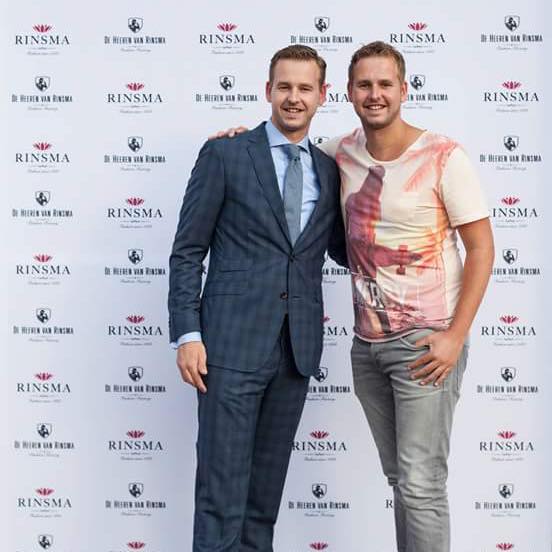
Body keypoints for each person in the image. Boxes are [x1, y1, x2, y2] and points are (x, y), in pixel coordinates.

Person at [214, 40, 494, 552]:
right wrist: (237, 141)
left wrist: (455, 336)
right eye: (364, 84)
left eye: (385, 84)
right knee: (402, 480)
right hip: (367, 347)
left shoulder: (443, 156)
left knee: (421, 483)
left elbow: (481, 248)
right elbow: (280, 153)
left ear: (404, 90)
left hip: (426, 343)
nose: (374, 94)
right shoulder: (337, 155)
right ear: (345, 92)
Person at [168, 45, 346, 552]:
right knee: (220, 498)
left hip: (295, 352)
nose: (294, 98)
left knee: (262, 504)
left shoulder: (331, 171)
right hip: (228, 349)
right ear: (268, 90)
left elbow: (341, 248)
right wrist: (188, 333)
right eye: (284, 86)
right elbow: (188, 251)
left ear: (322, 95)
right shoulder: (225, 154)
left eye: (305, 88)